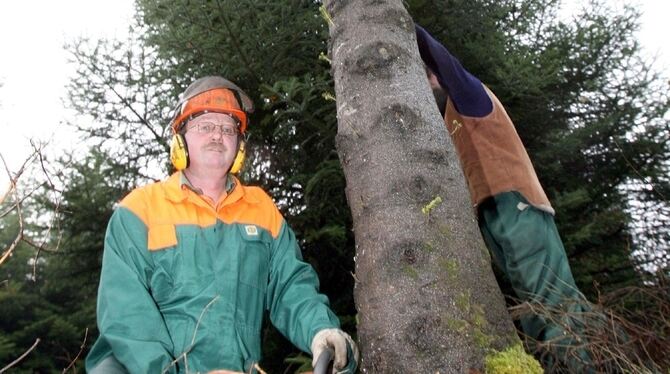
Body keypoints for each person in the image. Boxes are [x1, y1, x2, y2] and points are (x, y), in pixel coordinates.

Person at [85, 76, 359, 374]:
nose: (217, 135)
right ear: (180, 139)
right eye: (205, 126)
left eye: (228, 128)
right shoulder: (138, 211)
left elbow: (290, 284)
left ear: (239, 145)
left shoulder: (260, 210)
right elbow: (126, 314)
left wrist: (319, 329)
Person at [415, 25, 592, 369]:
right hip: (495, 214)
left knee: (552, 303)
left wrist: (408, 27)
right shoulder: (450, 116)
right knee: (530, 308)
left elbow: (441, 56)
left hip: (519, 207)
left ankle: (580, 366)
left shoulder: (468, 95)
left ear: (433, 78)